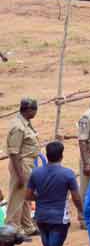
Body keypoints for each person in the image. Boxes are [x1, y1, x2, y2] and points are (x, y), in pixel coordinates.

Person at [25, 141, 82, 246]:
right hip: (59, 220)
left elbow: (28, 196)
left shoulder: (36, 173)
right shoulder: (68, 174)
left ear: (47, 155)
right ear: (62, 155)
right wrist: (81, 212)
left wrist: (42, 198)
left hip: (41, 218)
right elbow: (76, 197)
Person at [6, 98, 40, 236]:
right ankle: (12, 230)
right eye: (34, 109)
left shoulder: (25, 123)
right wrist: (20, 175)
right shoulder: (18, 127)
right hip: (21, 164)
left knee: (25, 197)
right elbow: (14, 153)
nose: (35, 112)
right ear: (28, 110)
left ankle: (27, 227)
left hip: (27, 164)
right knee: (17, 198)